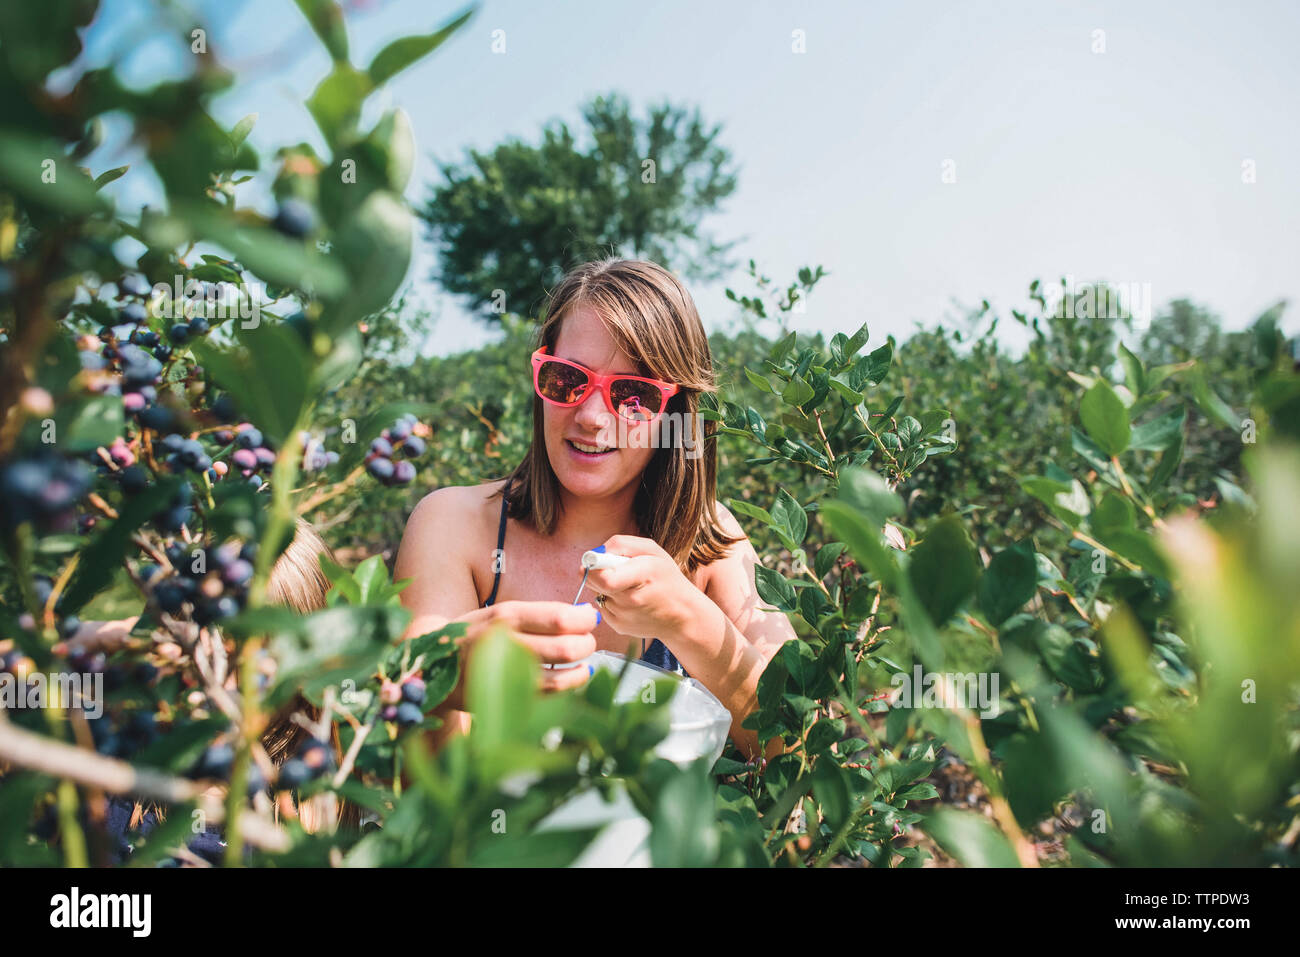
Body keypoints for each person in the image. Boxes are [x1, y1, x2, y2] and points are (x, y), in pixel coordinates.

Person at [393, 258, 797, 760]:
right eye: (567, 380)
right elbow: (412, 771)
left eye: (633, 395)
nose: (590, 417)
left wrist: (691, 622)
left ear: (676, 412)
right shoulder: (454, 527)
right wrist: (450, 676)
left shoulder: (709, 543)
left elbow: (796, 749)